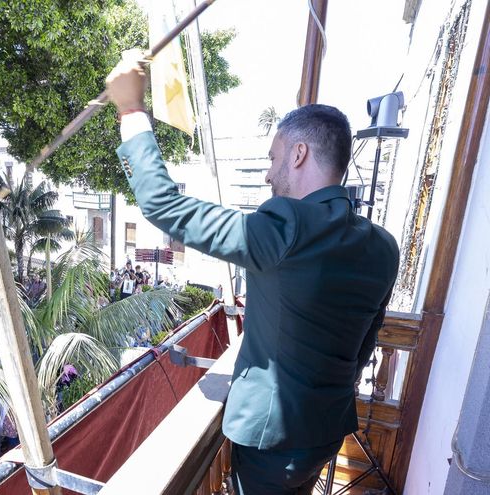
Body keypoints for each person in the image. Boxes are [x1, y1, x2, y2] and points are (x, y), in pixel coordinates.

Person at [105, 56, 399, 494]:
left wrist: (131, 112)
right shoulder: (383, 246)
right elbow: (363, 347)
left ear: (299, 154)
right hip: (326, 429)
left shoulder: (287, 228)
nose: (267, 172)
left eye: (273, 157)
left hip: (272, 442)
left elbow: (165, 207)